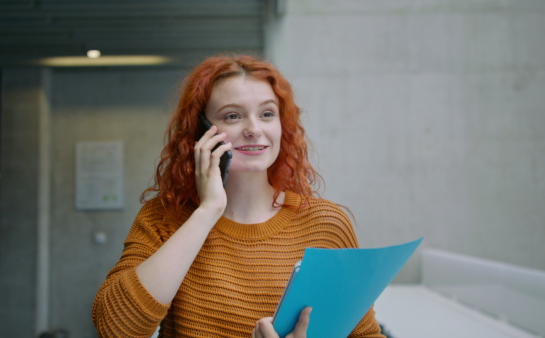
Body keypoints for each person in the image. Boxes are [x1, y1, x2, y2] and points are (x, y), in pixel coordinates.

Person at [92, 54, 385, 338]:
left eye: (267, 114)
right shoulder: (164, 219)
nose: (254, 130)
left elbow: (365, 335)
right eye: (233, 116)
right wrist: (207, 211)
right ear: (202, 131)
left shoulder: (326, 224)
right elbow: (116, 329)